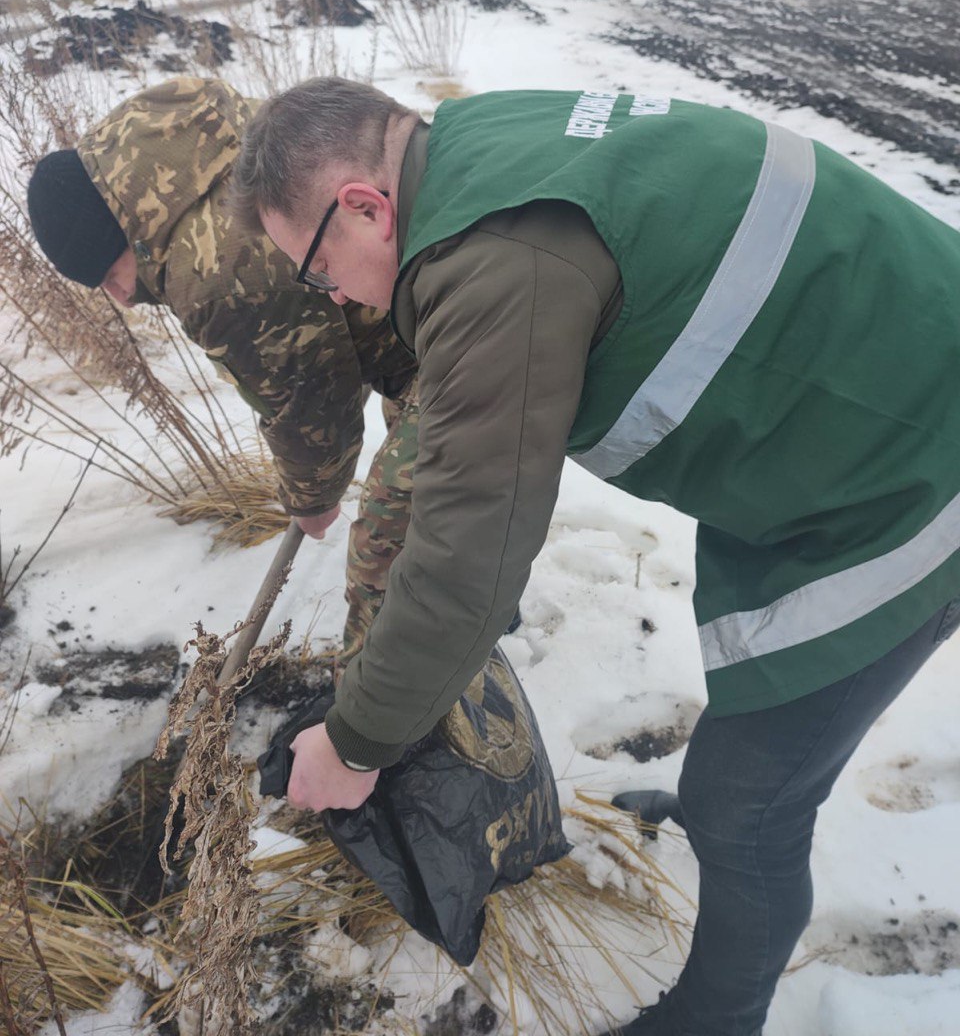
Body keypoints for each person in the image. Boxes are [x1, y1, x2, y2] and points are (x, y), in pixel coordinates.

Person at [232, 77, 960, 1036]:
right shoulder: (480, 140)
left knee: (748, 806)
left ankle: (715, 1018)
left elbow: (469, 553)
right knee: (749, 744)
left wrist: (357, 743)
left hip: (913, 472)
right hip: (852, 395)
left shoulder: (494, 262)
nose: (331, 296)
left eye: (319, 271)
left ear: (365, 206)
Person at [26, 76, 418, 665]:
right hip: (412, 302)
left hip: (446, 326)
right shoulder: (170, 134)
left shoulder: (214, 277)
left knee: (386, 551)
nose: (121, 299)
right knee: (435, 501)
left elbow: (311, 401)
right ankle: (469, 589)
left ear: (123, 235)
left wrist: (312, 499)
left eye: (110, 276)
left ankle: (390, 707)